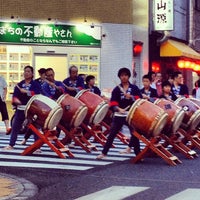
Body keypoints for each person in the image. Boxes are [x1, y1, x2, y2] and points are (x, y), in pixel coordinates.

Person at [96, 67, 142, 159]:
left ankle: (138, 155)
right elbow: (113, 102)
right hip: (119, 115)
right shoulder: (117, 89)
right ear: (119, 77)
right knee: (112, 134)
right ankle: (104, 153)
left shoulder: (134, 88)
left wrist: (132, 97)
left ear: (128, 76)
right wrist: (118, 109)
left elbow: (140, 99)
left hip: (130, 114)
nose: (124, 77)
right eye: (122, 75)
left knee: (135, 134)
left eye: (125, 75)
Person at [3, 66, 41, 150]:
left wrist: (27, 92)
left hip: (31, 109)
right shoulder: (19, 84)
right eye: (25, 71)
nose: (26, 73)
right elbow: (15, 96)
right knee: (15, 127)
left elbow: (38, 94)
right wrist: (15, 101)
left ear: (32, 74)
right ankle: (11, 144)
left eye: (28, 71)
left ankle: (37, 147)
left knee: (35, 127)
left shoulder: (35, 84)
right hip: (20, 109)